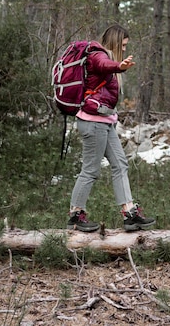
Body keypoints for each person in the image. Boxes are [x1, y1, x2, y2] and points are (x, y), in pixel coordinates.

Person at [67, 23, 155, 233]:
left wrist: (119, 67)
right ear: (115, 42)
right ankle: (75, 216)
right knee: (90, 170)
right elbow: (105, 65)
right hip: (92, 122)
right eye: (123, 45)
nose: (124, 49)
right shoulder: (98, 55)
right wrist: (119, 67)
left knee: (120, 164)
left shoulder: (106, 57)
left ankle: (130, 214)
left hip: (105, 122)